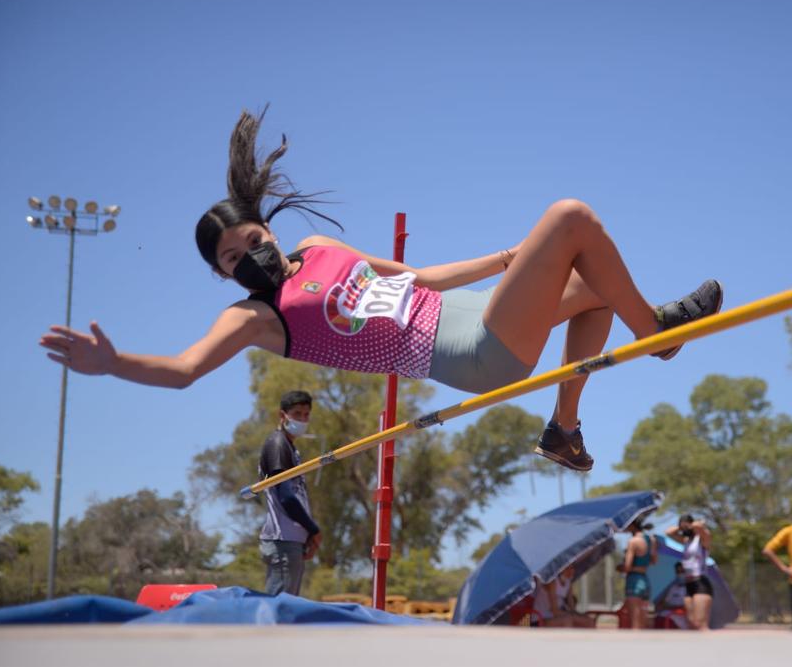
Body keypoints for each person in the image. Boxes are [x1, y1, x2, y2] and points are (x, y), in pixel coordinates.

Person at [38, 108, 724, 474]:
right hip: (467, 351)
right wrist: (113, 364)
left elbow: (417, 278)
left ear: (269, 233)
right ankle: (657, 334)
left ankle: (564, 426)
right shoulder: (253, 318)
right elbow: (185, 371)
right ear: (221, 274)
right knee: (572, 216)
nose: (249, 256)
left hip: (461, 308)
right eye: (231, 257)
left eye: (252, 240)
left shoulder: (318, 249)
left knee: (592, 281)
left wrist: (512, 258)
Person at [257, 390, 322, 596]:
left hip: (293, 542)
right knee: (278, 612)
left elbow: (298, 497)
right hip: (282, 543)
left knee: (286, 610)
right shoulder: (278, 444)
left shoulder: (292, 449)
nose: (302, 419)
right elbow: (286, 497)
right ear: (282, 415)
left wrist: (307, 535)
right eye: (296, 414)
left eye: (306, 414)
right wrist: (313, 529)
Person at [666, 514, 713, 630]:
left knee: (700, 622)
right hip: (688, 583)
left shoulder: (702, 539)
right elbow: (668, 532)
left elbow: (700, 527)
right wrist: (681, 527)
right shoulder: (686, 540)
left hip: (700, 581)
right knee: (691, 622)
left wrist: (691, 525)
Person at [616, 519, 657, 629]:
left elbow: (627, 567)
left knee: (634, 620)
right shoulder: (651, 540)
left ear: (632, 525)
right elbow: (654, 560)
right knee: (643, 619)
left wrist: (619, 568)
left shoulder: (633, 541)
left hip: (634, 580)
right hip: (645, 580)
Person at [531, 564, 595, 628]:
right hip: (539, 619)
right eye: (568, 568)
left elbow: (572, 609)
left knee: (589, 621)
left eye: (572, 567)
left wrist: (581, 616)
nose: (571, 570)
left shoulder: (568, 582)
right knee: (568, 620)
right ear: (561, 569)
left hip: (556, 617)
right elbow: (554, 611)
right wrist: (572, 615)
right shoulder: (552, 582)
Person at [653, 562, 689, 630]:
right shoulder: (673, 587)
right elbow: (663, 603)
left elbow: (686, 607)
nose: (680, 574)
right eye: (678, 572)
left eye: (682, 571)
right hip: (665, 615)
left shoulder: (691, 588)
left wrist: (672, 608)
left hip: (679, 618)